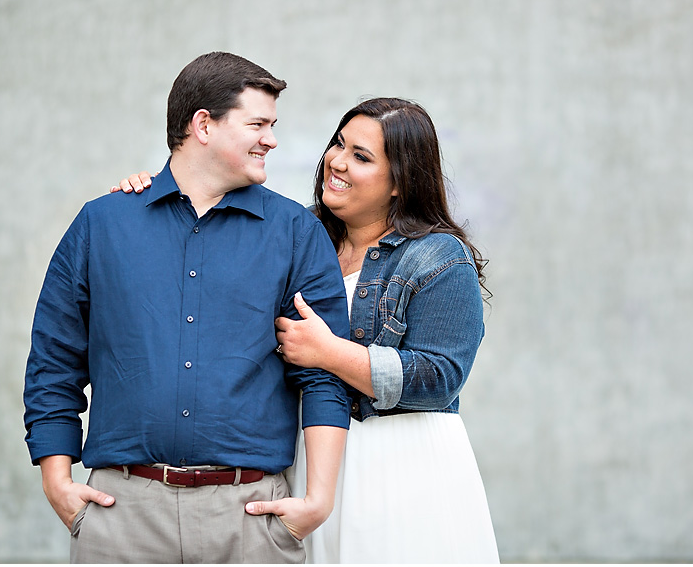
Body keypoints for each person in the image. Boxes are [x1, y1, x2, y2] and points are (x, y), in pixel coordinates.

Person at [116, 97, 500, 563]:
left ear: (400, 181)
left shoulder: (439, 257)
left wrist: (329, 352)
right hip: (311, 459)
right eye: (338, 144)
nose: (336, 162)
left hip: (400, 470)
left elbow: (440, 379)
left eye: (361, 157)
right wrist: (154, 192)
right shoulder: (296, 233)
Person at [23, 52, 351, 564]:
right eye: (257, 124)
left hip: (251, 520)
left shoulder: (296, 234)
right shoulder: (102, 225)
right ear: (203, 125)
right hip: (121, 514)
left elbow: (325, 374)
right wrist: (56, 480)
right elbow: (54, 361)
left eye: (273, 125)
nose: (272, 138)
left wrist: (317, 501)